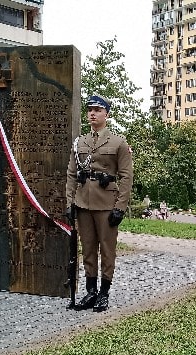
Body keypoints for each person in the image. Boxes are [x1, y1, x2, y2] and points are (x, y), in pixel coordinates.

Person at [66, 94, 134, 312]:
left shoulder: (118, 142)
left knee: (107, 249)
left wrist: (120, 207)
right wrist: (70, 202)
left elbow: (126, 176)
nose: (92, 113)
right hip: (83, 203)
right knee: (87, 249)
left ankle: (104, 293)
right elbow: (71, 174)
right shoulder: (80, 142)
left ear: (107, 114)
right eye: (90, 110)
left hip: (106, 204)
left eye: (97, 110)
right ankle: (91, 291)